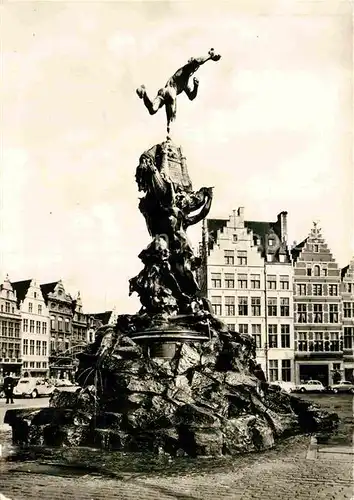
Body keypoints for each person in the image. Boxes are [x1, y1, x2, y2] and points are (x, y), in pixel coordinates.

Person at [136, 48, 221, 134]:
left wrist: (196, 86)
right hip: (171, 91)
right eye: (194, 67)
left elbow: (191, 96)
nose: (194, 69)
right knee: (172, 119)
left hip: (163, 91)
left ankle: (144, 92)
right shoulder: (184, 70)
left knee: (152, 110)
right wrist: (210, 56)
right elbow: (197, 61)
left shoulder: (185, 84)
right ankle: (169, 137)